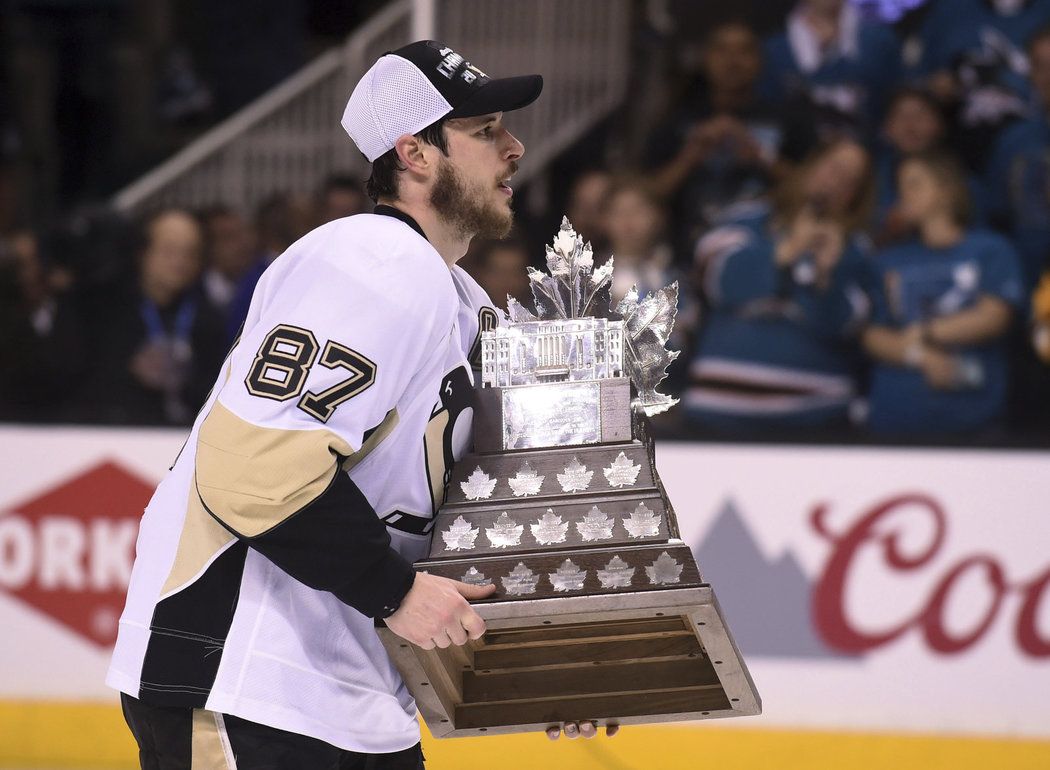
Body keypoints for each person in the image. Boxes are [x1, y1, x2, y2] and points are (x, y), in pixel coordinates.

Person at [107, 40, 610, 770]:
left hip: (356, 703)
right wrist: (396, 591)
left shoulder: (462, 301)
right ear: (415, 153)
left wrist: (536, 663)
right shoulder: (372, 261)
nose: (514, 147)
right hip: (251, 678)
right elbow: (253, 467)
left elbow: (454, 523)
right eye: (484, 130)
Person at [685, 139, 874, 433]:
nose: (837, 183)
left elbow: (849, 326)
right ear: (810, 167)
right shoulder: (744, 219)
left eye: (851, 182)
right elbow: (716, 282)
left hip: (816, 415)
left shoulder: (856, 249)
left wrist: (826, 275)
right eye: (835, 168)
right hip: (720, 408)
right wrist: (787, 250)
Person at [863, 150, 1024, 436]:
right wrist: (920, 356)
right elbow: (873, 335)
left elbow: (994, 317)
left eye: (914, 184)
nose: (904, 194)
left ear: (946, 190)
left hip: (973, 421)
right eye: (900, 187)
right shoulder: (887, 260)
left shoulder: (990, 249)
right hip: (894, 422)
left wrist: (925, 332)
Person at [646, 19, 816, 262]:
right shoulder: (675, 119)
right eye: (722, 50)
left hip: (767, 251)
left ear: (760, 60)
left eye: (744, 51)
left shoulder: (789, 118)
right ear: (706, 58)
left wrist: (759, 155)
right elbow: (648, 193)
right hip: (686, 253)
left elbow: (810, 187)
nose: (732, 61)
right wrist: (692, 154)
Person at [78, 208, 227, 426]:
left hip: (183, 439)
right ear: (143, 253)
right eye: (169, 251)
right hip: (113, 432)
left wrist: (186, 381)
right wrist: (127, 371)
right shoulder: (103, 309)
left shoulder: (209, 318)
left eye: (190, 253)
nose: (180, 262)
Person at [911, 0, 1050, 169]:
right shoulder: (949, 11)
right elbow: (916, 84)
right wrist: (935, 87)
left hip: (1034, 140)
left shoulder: (1044, 11)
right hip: (957, 148)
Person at [760, 0, 902, 140]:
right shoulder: (773, 50)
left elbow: (897, 106)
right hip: (795, 158)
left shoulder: (880, 41)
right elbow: (767, 121)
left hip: (871, 154)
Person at [873, 87, 987, 246]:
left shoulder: (965, 184)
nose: (910, 126)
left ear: (940, 125)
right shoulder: (869, 181)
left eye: (920, 116)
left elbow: (978, 242)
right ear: (887, 128)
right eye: (901, 116)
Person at [985, 24, 1050, 289]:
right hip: (1029, 280)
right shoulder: (1014, 141)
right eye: (1041, 66)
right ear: (1030, 74)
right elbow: (996, 216)